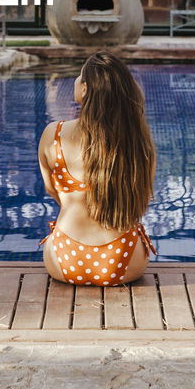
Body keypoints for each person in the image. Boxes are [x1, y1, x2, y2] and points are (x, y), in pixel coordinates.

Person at [38, 50, 157, 286]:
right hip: (123, 260)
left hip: (64, 259)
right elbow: (142, 197)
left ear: (84, 89)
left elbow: (52, 190)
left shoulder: (54, 133)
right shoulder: (139, 140)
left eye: (79, 75)